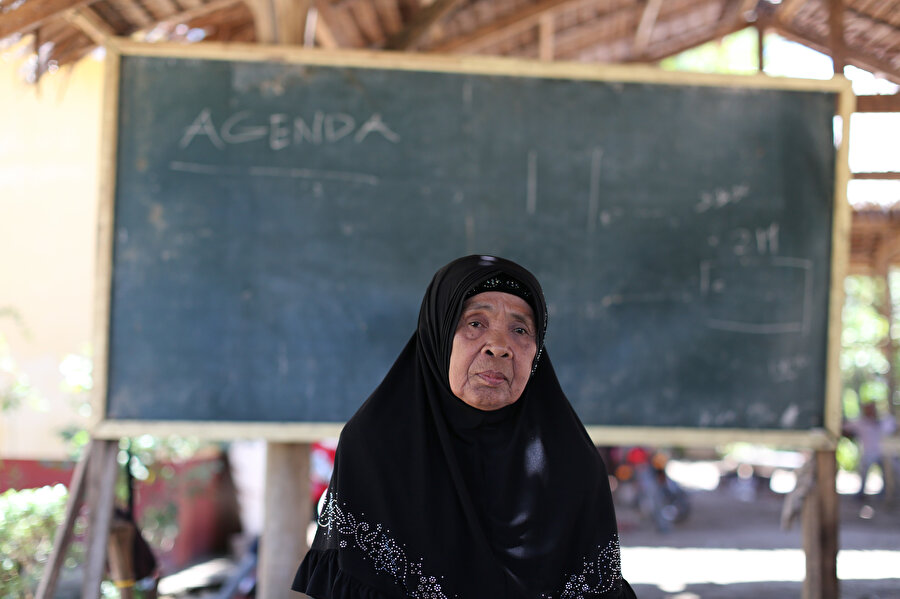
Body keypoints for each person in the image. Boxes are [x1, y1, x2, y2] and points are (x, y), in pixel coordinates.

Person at [293, 255, 636, 598]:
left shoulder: (571, 463)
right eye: (475, 323)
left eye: (520, 329)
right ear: (439, 334)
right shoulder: (375, 450)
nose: (499, 346)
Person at [843, 401, 897, 499]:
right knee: (864, 472)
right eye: (868, 409)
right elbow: (845, 428)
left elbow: (893, 428)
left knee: (888, 472)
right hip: (868, 454)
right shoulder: (860, 423)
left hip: (882, 453)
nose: (870, 411)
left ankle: (886, 494)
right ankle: (861, 493)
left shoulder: (883, 422)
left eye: (872, 408)